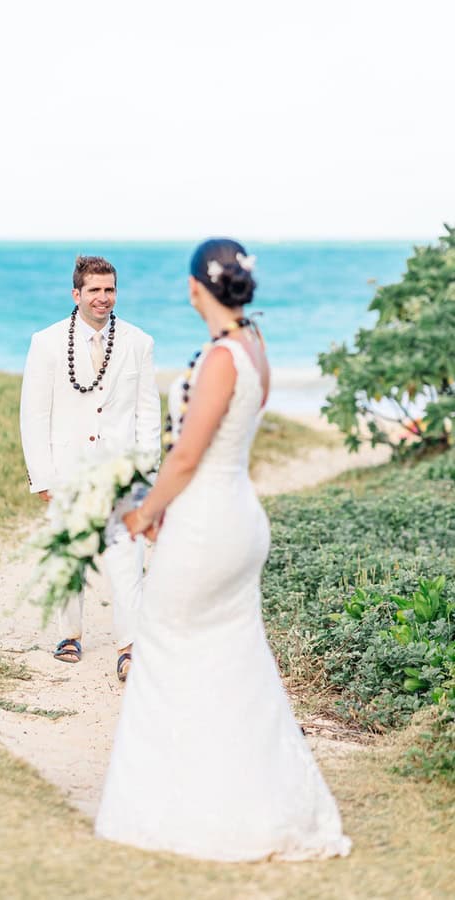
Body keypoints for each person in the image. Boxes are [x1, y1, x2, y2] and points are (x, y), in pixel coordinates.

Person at [95, 238, 351, 861]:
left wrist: (144, 512)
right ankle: (251, 796)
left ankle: (182, 808)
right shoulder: (255, 347)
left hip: (207, 521)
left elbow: (187, 454)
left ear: (194, 288)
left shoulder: (221, 358)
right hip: (237, 513)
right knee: (231, 657)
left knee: (165, 644)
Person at [20, 255, 161, 681]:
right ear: (76, 294)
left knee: (127, 562)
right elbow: (33, 414)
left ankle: (129, 645)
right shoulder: (46, 342)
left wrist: (147, 475)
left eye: (110, 290)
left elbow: (148, 414)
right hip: (68, 471)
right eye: (95, 290)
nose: (103, 298)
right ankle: (69, 635)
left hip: (122, 475)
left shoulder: (139, 342)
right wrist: (43, 476)